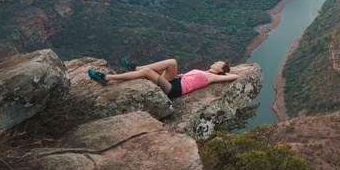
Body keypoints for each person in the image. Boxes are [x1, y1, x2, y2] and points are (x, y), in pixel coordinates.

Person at [88, 58, 238, 98]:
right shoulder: (207, 72)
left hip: (172, 90)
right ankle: (135, 68)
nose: (217, 62)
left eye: (220, 64)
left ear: (221, 71)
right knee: (172, 62)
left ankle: (107, 77)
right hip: (174, 80)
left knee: (147, 72)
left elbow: (235, 75)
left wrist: (226, 74)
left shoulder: (212, 78)